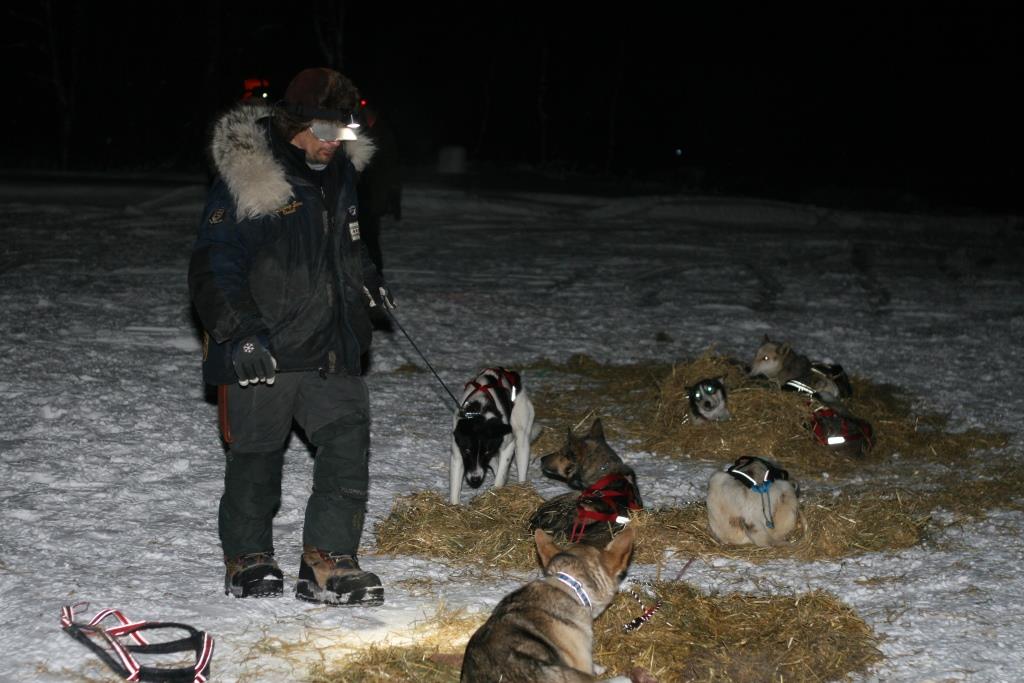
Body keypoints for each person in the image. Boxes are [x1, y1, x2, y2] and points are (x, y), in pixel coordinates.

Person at [188, 67, 395, 605]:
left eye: (342, 133)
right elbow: (214, 267)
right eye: (323, 131)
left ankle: (327, 559)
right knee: (257, 457)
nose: (333, 144)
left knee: (347, 446)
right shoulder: (251, 175)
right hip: (266, 348)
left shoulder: (342, 173)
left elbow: (349, 246)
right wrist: (240, 336)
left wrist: (368, 284)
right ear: (294, 123)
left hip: (332, 343)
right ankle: (248, 556)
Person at [355, 98, 402, 278]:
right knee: (361, 239)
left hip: (373, 196)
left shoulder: (383, 133)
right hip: (364, 194)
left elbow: (390, 169)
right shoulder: (364, 131)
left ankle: (375, 275)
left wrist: (392, 201)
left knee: (370, 239)